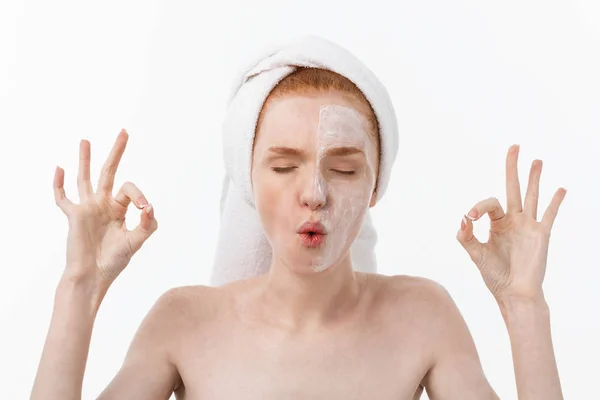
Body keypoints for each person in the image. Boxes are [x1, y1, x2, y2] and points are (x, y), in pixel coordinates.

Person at [31, 41, 566, 399]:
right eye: (284, 166)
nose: (314, 193)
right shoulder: (183, 322)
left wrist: (524, 307)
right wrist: (79, 287)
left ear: (375, 185)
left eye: (343, 168)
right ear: (248, 177)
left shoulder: (422, 316)